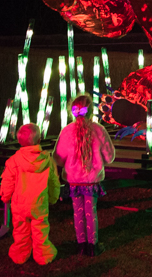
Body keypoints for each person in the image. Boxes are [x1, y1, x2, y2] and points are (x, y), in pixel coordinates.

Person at [53, 93, 116, 257]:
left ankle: (81, 245)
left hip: (74, 181)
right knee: (90, 211)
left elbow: (58, 158)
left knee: (77, 212)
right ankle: (92, 245)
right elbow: (109, 156)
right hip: (91, 180)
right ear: (90, 111)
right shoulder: (99, 130)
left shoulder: (66, 131)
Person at [0, 123, 60, 265]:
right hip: (39, 203)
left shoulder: (14, 161)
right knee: (40, 231)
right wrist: (53, 197)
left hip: (19, 204)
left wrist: (5, 196)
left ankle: (20, 254)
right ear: (39, 141)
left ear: (19, 141)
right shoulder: (47, 161)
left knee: (20, 231)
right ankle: (43, 255)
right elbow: (54, 182)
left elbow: (8, 180)